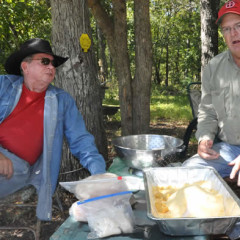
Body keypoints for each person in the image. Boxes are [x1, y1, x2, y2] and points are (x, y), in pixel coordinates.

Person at [0, 38, 106, 221]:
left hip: (21, 170)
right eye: (44, 61)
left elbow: (81, 141)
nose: (51, 67)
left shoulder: (61, 100)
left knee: (18, 169)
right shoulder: (3, 86)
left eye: (53, 63)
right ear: (25, 66)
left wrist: (100, 174)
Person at [183, 1, 240, 239]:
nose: (233, 33)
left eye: (238, 25)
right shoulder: (214, 68)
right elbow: (207, 111)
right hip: (228, 149)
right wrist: (205, 137)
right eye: (227, 29)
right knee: (188, 172)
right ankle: (218, 229)